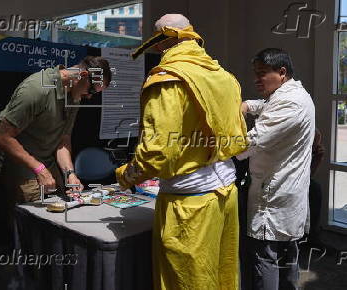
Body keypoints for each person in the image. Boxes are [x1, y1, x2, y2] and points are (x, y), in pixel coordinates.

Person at [115, 14, 248, 290]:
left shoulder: (167, 78)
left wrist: (126, 176)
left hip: (189, 203)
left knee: (185, 281)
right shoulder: (224, 77)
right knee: (223, 275)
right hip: (228, 194)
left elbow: (157, 153)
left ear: (158, 44)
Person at [239, 48, 315, 290]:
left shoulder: (291, 103)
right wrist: (246, 106)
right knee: (285, 257)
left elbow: (248, 143)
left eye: (262, 74)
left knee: (266, 259)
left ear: (281, 73)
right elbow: (266, 106)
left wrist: (208, 145)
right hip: (286, 192)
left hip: (276, 195)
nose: (256, 79)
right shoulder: (289, 95)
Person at [0, 56, 112, 204]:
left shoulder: (75, 94)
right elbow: (2, 137)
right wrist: (39, 168)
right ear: (83, 75)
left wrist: (70, 174)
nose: (90, 96)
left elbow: (63, 139)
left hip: (46, 160)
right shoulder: (36, 90)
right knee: (33, 216)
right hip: (19, 163)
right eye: (92, 90)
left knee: (65, 204)